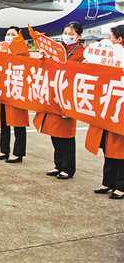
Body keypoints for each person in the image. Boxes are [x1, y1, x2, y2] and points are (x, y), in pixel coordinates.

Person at [33, 21, 84, 180]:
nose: (67, 35)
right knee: (54, 133)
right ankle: (58, 164)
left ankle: (68, 168)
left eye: (71, 33)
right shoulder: (58, 48)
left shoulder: (82, 52)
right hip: (54, 95)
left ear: (78, 36)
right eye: (66, 32)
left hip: (68, 96)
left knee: (66, 135)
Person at [85, 24, 124, 199]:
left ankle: (121, 185)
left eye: (111, 37)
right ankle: (107, 182)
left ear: (119, 39)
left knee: (120, 149)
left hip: (119, 108)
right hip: (107, 106)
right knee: (108, 147)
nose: (108, 40)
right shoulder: (108, 57)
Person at [0, 27, 30, 163]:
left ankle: (18, 153)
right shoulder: (1, 49)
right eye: (7, 34)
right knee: (4, 123)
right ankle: (3, 150)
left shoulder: (23, 51)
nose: (9, 36)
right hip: (3, 91)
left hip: (16, 91)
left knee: (18, 124)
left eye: (13, 34)